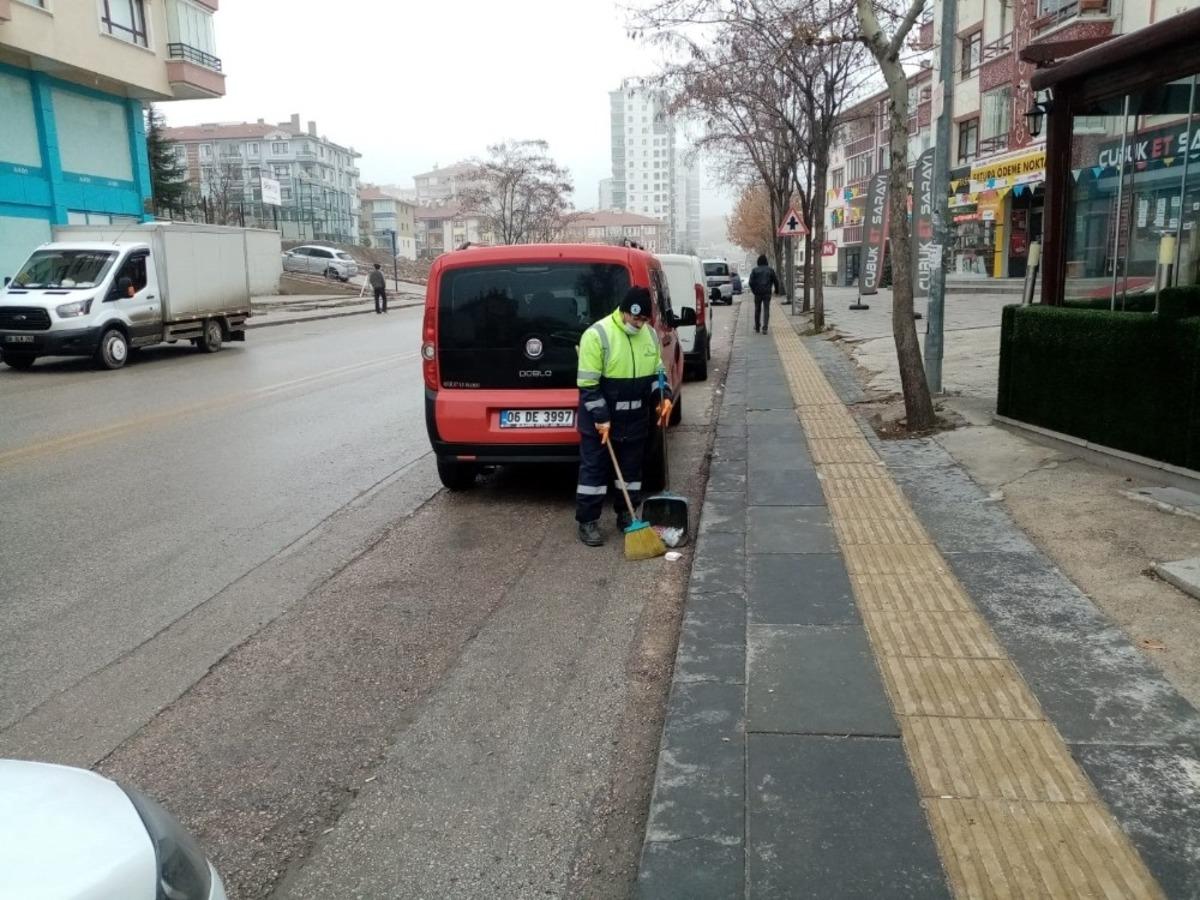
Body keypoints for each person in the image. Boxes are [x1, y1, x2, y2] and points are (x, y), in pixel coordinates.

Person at [575, 286, 673, 546]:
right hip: (602, 420)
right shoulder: (597, 335)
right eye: (635, 318)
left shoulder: (649, 335)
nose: (639, 324)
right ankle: (588, 521)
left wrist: (664, 398)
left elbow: (657, 375)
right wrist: (601, 416)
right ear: (624, 312)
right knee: (594, 472)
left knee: (630, 472)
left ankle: (626, 515)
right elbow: (588, 384)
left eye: (643, 320)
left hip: (635, 418)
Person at [748, 253, 781, 334]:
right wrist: (776, 291)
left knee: (757, 309)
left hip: (757, 293)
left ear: (758, 262)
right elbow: (776, 281)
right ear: (766, 262)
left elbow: (750, 282)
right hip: (767, 293)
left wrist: (754, 290)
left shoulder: (754, 270)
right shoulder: (770, 270)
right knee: (766, 309)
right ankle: (765, 328)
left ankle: (757, 327)